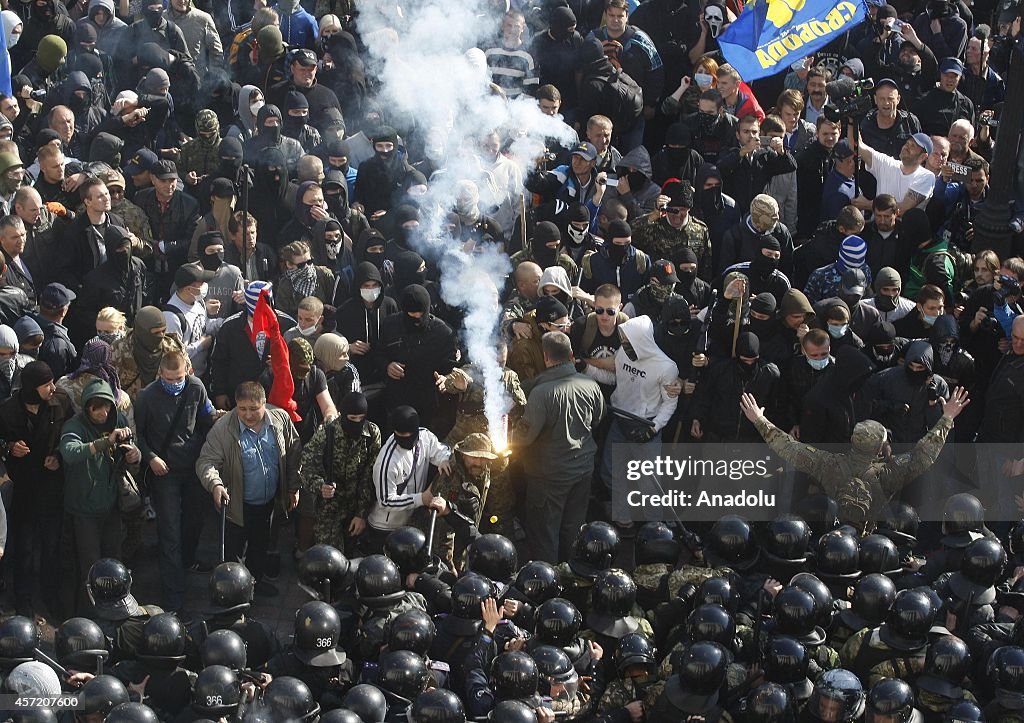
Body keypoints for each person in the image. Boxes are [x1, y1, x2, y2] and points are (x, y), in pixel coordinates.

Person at [196, 381, 301, 598]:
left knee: (259, 547)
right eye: (242, 409)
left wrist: (293, 487)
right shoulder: (223, 429)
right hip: (236, 506)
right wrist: (215, 484)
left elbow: (293, 451)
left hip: (268, 504)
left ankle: (255, 584)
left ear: (265, 404)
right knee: (233, 554)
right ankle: (233, 595)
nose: (248, 415)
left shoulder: (280, 419)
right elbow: (206, 462)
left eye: (254, 409)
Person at [135, 349, 216, 612]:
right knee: (169, 530)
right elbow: (140, 435)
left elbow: (206, 421)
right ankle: (174, 596)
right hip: (164, 472)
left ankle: (187, 561)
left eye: (178, 378)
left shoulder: (196, 388)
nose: (173, 384)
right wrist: (150, 458)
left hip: (192, 468)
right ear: (160, 375)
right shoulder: (147, 397)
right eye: (168, 379)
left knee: (194, 520)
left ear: (187, 373)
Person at [515, 331, 605, 564]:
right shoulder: (591, 384)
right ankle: (572, 577)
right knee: (573, 529)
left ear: (546, 358)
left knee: (544, 534)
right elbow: (598, 419)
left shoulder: (541, 393)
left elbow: (524, 438)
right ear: (572, 355)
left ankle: (548, 585)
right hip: (583, 470)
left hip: (548, 476)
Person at [0, 360, 72, 618]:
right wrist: (9, 448)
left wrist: (60, 457)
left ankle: (51, 597)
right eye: (46, 384)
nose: (52, 388)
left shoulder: (60, 403)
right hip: (24, 488)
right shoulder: (8, 410)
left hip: (51, 486)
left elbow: (72, 435)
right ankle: (24, 602)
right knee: (24, 548)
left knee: (51, 547)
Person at [59, 378, 141, 600]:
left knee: (114, 562)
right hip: (84, 509)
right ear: (87, 407)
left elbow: (134, 451)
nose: (103, 413)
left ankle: (117, 607)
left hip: (111, 505)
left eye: (106, 407)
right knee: (91, 567)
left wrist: (134, 454)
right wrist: (104, 443)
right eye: (97, 408)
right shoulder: (75, 426)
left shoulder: (118, 421)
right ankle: (90, 615)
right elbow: (70, 452)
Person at [298, 391, 379, 555]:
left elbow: (370, 474)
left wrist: (361, 514)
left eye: (360, 418)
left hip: (356, 504)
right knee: (328, 557)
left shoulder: (371, 433)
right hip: (330, 507)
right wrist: (320, 486)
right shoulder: (327, 432)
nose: (357, 423)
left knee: (353, 556)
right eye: (352, 419)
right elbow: (306, 467)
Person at [365, 405, 451, 553]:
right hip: (385, 527)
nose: (406, 442)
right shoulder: (387, 462)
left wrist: (443, 459)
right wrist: (420, 499)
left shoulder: (424, 437)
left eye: (410, 436)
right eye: (401, 437)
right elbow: (386, 500)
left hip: (410, 522)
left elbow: (439, 450)